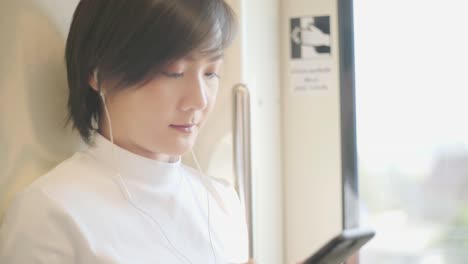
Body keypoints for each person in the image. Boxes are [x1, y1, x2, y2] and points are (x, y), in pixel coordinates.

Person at [0, 0, 251, 263]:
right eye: (173, 72)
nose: (199, 100)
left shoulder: (222, 202)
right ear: (98, 74)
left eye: (211, 73)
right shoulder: (50, 213)